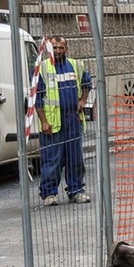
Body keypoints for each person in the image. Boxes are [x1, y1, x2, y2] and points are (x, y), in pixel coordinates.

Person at [34, 35, 92, 206]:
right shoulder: (43, 68)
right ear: (48, 49)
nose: (58, 51)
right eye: (55, 48)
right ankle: (49, 194)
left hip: (72, 121)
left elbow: (87, 84)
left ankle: (76, 191)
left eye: (61, 47)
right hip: (53, 124)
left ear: (66, 49)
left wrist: (82, 101)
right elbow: (37, 98)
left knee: (75, 158)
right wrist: (43, 121)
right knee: (52, 160)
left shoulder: (75, 65)